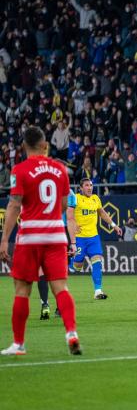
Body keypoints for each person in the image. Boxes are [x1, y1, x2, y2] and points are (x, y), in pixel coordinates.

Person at [0, 126, 81, 355]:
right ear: (45, 145)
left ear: (24, 146)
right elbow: (65, 205)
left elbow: (15, 204)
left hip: (31, 236)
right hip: (56, 235)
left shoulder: (20, 169)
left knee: (22, 289)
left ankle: (18, 343)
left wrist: (5, 239)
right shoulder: (60, 170)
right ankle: (71, 333)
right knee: (61, 288)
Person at [70, 178, 123, 299]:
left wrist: (114, 226)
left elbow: (102, 213)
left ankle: (98, 291)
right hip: (79, 238)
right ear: (81, 188)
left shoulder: (95, 198)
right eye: (87, 185)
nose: (90, 188)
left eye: (91, 185)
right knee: (78, 266)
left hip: (93, 237)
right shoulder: (75, 198)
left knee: (97, 262)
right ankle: (72, 262)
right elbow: (67, 214)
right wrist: (73, 223)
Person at [38, 188, 78, 320]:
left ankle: (44, 304)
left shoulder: (40, 186)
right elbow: (70, 218)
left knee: (41, 270)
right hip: (61, 232)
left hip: (42, 230)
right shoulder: (70, 193)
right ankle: (60, 307)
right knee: (60, 271)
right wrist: (73, 243)